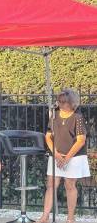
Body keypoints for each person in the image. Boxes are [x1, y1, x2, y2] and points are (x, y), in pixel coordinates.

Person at [36, 89, 90, 223]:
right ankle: (45, 217)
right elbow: (48, 136)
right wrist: (56, 154)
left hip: (74, 157)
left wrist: (66, 158)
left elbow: (80, 140)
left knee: (70, 185)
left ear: (72, 103)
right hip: (56, 156)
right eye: (60, 101)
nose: (61, 104)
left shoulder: (78, 118)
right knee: (51, 185)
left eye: (64, 102)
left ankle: (70, 218)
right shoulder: (54, 116)